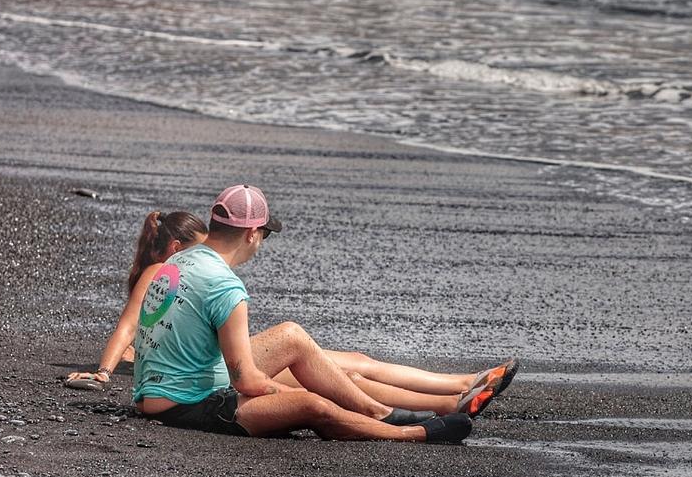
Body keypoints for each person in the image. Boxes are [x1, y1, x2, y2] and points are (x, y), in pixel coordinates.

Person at [68, 211, 516, 416]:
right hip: (199, 375)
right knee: (339, 371)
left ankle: (458, 389)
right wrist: (105, 371)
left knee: (349, 362)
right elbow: (128, 326)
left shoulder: (183, 267)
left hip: (207, 363)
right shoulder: (169, 271)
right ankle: (446, 401)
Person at [129, 185, 485, 441]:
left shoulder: (175, 262)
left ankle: (378, 409)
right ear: (252, 234)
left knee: (291, 335)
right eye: (264, 235)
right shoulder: (225, 286)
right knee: (314, 404)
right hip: (184, 404)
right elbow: (246, 383)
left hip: (160, 389)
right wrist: (291, 397)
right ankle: (411, 432)